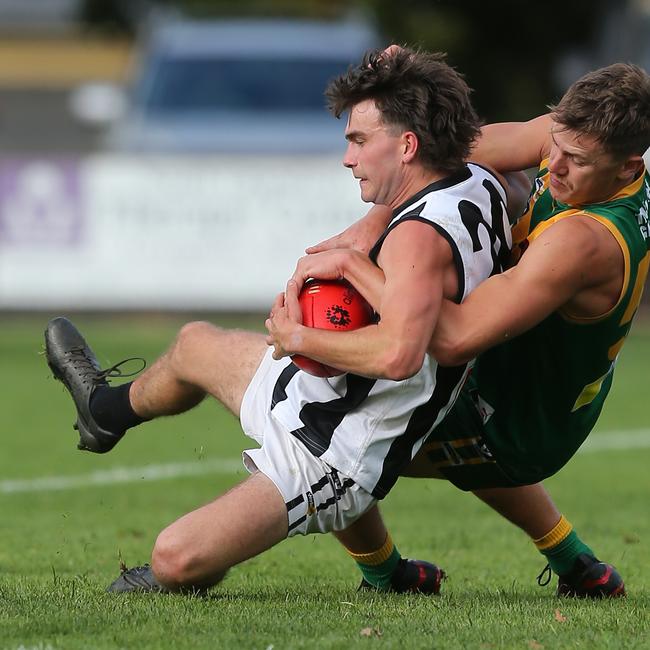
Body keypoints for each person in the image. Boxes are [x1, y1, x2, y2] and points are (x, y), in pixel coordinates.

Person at [45, 48, 525, 593]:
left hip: (333, 451)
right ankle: (104, 412)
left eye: (359, 140)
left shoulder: (418, 237)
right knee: (193, 345)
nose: (349, 158)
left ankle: (372, 572)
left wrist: (298, 334)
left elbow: (398, 355)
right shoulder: (484, 179)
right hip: (322, 393)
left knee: (173, 558)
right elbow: (529, 153)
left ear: (408, 145)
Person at [281, 61, 650, 598]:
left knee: (326, 424)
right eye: (555, 148)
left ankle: (387, 576)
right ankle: (578, 564)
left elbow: (451, 337)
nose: (557, 166)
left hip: (525, 415)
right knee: (493, 179)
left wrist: (354, 265)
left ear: (627, 168)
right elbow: (455, 149)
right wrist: (381, 214)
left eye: (578, 162)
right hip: (542, 375)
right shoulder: (579, 142)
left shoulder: (582, 241)